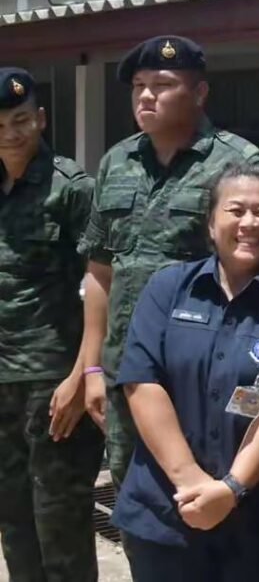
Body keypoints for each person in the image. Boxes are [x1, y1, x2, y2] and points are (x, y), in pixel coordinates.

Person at [76, 35, 259, 496]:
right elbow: (100, 270)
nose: (146, 96)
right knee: (133, 498)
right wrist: (91, 368)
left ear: (199, 93)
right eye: (138, 86)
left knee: (202, 494)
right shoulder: (117, 161)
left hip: (199, 374)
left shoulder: (239, 165)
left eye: (162, 85)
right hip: (126, 370)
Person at [111, 162, 259, 582]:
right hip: (165, 512)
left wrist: (231, 489)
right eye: (235, 210)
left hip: (255, 524)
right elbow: (141, 383)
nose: (248, 223)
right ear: (210, 224)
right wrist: (191, 482)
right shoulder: (168, 288)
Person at [0, 68, 105, 581]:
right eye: (0, 124)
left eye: (20, 120)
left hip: (54, 383)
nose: (10, 133)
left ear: (40, 119)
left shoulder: (72, 189)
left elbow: (100, 283)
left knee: (60, 527)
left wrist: (82, 375)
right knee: (14, 524)